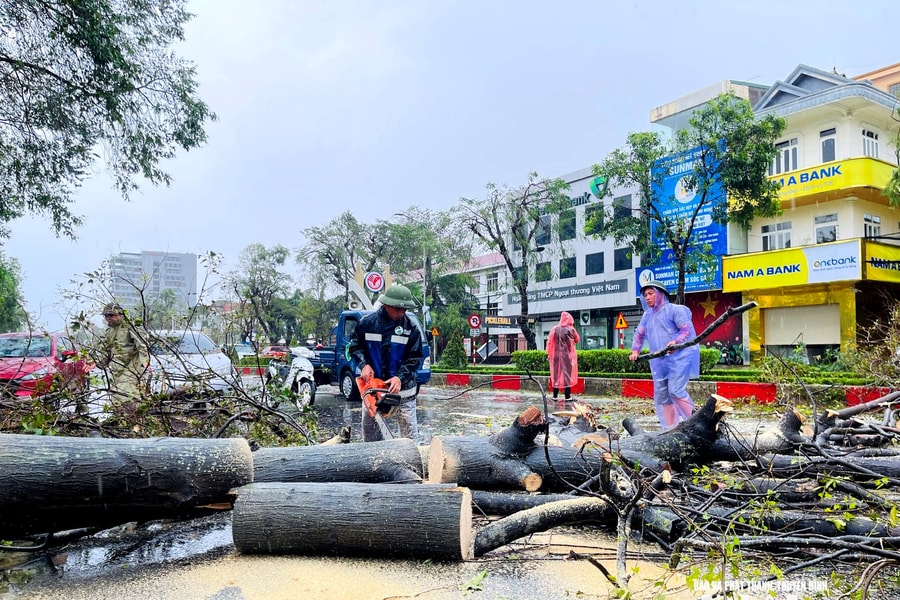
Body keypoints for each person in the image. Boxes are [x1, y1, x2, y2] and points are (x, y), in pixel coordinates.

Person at [349, 284, 424, 442]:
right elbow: (355, 347)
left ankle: (412, 461)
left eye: (404, 309)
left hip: (403, 391)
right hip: (374, 388)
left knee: (410, 436)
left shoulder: (410, 328)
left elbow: (415, 357)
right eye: (398, 309)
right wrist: (364, 365)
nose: (401, 313)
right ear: (387, 305)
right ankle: (373, 463)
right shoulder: (367, 323)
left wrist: (399, 377)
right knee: (370, 434)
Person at [629, 281, 699, 429]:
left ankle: (695, 423)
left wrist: (675, 342)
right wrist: (635, 350)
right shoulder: (647, 316)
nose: (647, 298)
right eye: (645, 295)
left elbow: (686, 330)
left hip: (679, 359)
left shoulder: (675, 310)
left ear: (660, 293)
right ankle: (670, 428)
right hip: (659, 362)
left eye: (650, 293)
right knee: (663, 397)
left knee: (675, 390)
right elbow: (639, 334)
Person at [96, 303, 150, 400]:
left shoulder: (130, 326)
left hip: (132, 367)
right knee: (116, 396)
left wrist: (144, 364)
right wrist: (100, 363)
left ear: (120, 315)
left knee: (126, 395)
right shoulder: (109, 331)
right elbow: (107, 350)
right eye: (106, 316)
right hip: (117, 369)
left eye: (111, 315)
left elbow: (142, 346)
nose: (108, 318)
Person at [547, 311, 580, 400]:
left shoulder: (555, 329)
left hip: (556, 355)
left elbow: (550, 342)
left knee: (556, 375)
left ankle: (555, 395)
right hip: (567, 355)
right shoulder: (571, 329)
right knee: (567, 375)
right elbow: (577, 339)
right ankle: (567, 395)